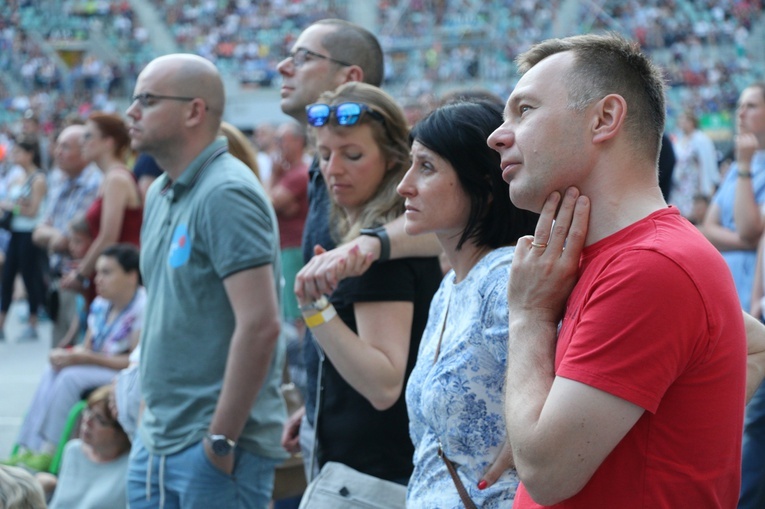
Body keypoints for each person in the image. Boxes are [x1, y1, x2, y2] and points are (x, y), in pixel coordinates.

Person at [487, 33, 747, 507]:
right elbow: (753, 347)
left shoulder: (652, 266)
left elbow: (546, 472)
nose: (497, 135)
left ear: (604, 119)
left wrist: (529, 314)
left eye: (524, 111)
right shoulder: (624, 256)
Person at [277, 19, 441, 480]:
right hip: (347, 444)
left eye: (351, 155)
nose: (334, 170)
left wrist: (313, 308)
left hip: (372, 471)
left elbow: (384, 382)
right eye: (325, 155)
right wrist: (317, 403)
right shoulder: (356, 217)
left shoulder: (377, 247)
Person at [125, 53, 286, 508]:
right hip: (157, 438)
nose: (131, 111)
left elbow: (261, 325)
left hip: (210, 448)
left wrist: (220, 440)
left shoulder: (226, 192)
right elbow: (162, 307)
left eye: (148, 100)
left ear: (195, 111)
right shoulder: (161, 190)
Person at [399, 100, 538, 507]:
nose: (404, 185)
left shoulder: (505, 278)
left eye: (426, 167)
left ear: (484, 184)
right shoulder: (451, 287)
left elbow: (572, 383)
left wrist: (528, 442)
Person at [8, 243, 144, 472]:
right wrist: (68, 355)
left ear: (131, 276)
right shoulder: (101, 304)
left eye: (107, 272)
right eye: (98, 272)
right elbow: (89, 346)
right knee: (54, 369)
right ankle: (28, 446)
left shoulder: (143, 305)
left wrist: (85, 358)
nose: (98, 279)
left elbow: (133, 361)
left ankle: (49, 450)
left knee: (70, 377)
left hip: (122, 374)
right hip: (96, 366)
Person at [726, 82, 765, 509]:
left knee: (750, 423)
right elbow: (711, 227)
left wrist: (742, 164)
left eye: (751, 106)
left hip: (756, 314)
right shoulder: (736, 171)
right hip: (741, 301)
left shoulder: (746, 166)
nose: (741, 114)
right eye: (739, 106)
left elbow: (751, 231)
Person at [32, 124, 102, 347]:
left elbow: (75, 240)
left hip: (82, 282)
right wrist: (57, 238)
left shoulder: (96, 183)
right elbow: (40, 232)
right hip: (60, 280)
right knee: (60, 352)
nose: (57, 152)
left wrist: (54, 238)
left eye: (65, 147)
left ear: (83, 150)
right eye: (58, 146)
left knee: (75, 352)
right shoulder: (59, 181)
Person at [59, 112, 142, 297]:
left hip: (118, 276)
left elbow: (108, 237)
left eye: (88, 136)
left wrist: (80, 274)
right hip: (109, 272)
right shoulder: (109, 178)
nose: (81, 143)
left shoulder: (116, 179)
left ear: (108, 142)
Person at [39, 385, 131, 509]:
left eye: (99, 418)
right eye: (88, 411)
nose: (87, 421)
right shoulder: (73, 450)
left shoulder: (130, 467)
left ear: (123, 431)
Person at [0, 135, 47, 341]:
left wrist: (11, 207)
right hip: (16, 233)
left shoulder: (38, 179)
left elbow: (34, 210)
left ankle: (32, 322)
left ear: (29, 154)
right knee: (8, 277)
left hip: (30, 234)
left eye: (18, 152)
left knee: (30, 278)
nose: (14, 156)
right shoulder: (18, 176)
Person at [267, 122, 308, 326]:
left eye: (281, 139)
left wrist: (274, 176)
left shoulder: (298, 174)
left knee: (299, 314)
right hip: (291, 247)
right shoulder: (292, 174)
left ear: (298, 141)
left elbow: (266, 203)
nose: (278, 145)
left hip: (294, 248)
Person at [670, 111, 719, 221]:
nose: (682, 123)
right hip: (679, 186)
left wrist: (709, 186)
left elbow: (708, 163)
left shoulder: (701, 139)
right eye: (680, 120)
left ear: (692, 122)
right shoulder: (679, 140)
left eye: (685, 120)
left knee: (695, 217)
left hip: (695, 185)